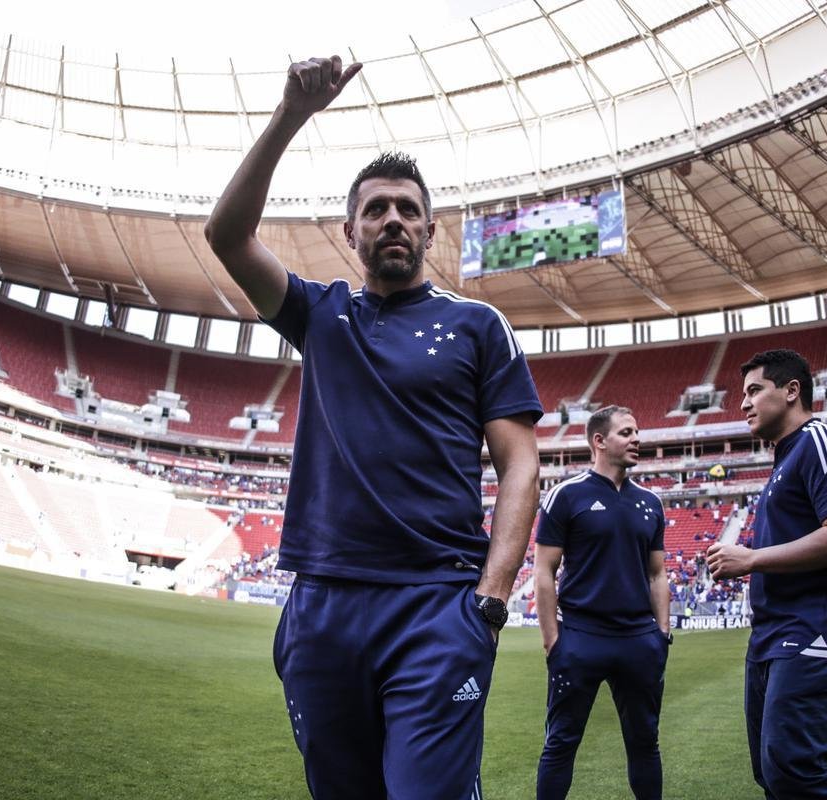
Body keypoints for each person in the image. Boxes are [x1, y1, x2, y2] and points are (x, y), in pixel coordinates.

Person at [205, 56, 543, 800]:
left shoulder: (477, 324)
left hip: (437, 605)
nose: (394, 219)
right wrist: (291, 115)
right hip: (323, 605)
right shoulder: (319, 313)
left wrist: (490, 599)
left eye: (408, 208)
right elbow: (225, 234)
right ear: (349, 230)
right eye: (377, 208)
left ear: (430, 228)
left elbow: (521, 465)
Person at [707, 349, 827, 799]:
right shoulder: (784, 461)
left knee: (792, 769)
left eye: (755, 390)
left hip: (816, 630)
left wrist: (752, 558)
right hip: (771, 637)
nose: (743, 403)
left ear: (792, 391)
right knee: (771, 775)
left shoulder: (822, 441)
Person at [534, 406, 671, 799]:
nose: (636, 439)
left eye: (637, 431)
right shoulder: (566, 495)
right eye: (626, 432)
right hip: (580, 638)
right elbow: (545, 570)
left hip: (639, 640)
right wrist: (552, 641)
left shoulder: (651, 503)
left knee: (645, 743)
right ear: (599, 441)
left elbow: (657, 574)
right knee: (561, 744)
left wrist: (661, 635)